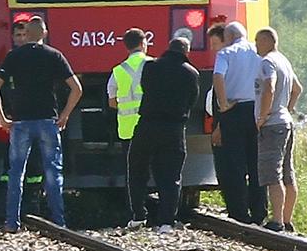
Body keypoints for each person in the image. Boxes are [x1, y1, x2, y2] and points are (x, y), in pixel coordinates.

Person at [0, 16, 83, 229]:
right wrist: (65, 114)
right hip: (48, 121)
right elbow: (77, 88)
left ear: (28, 34)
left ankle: (12, 221)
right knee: (52, 171)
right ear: (45, 33)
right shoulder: (54, 55)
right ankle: (59, 221)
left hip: (21, 122)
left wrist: (3, 117)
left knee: (16, 172)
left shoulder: (14, 56)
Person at [128, 37, 199, 233]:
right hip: (174, 128)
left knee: (137, 170)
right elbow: (192, 99)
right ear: (186, 51)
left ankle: (138, 215)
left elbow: (145, 87)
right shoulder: (191, 73)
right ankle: (166, 222)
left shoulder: (150, 67)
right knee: (171, 175)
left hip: (147, 125)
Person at [213, 21, 267, 224]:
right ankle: (259, 211)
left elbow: (218, 76)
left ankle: (239, 212)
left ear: (228, 37)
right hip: (255, 110)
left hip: (233, 111)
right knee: (256, 163)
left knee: (234, 164)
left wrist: (223, 103)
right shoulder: (258, 51)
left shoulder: (226, 54)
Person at [254, 28, 303, 232]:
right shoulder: (284, 60)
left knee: (272, 174)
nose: (255, 45)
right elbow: (297, 89)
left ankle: (277, 221)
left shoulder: (268, 62)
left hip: (272, 124)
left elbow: (269, 87)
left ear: (266, 41)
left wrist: (263, 116)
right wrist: (287, 109)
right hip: (286, 122)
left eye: (257, 41)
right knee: (287, 172)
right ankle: (287, 218)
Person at [108, 28, 153, 228]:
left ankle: (137, 213)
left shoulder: (118, 71)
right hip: (152, 125)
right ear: (144, 44)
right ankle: (167, 214)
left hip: (128, 130)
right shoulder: (154, 65)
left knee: (134, 173)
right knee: (160, 169)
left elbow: (112, 101)